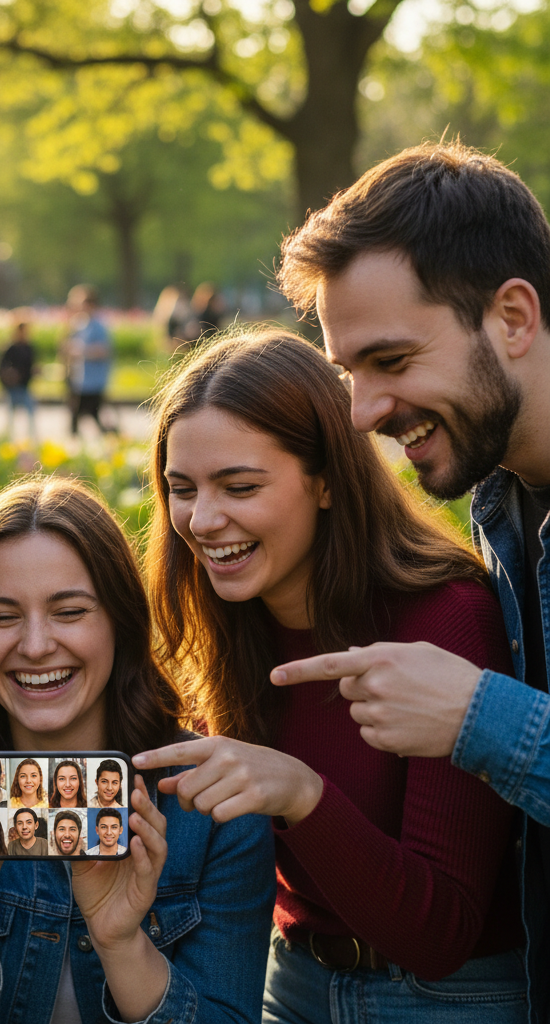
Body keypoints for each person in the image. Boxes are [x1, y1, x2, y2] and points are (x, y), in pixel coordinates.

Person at [136, 330, 525, 1022]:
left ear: (324, 482)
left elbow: (440, 933)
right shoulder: (224, 628)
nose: (202, 518)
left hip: (446, 999)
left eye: (240, 485)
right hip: (291, 983)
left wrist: (302, 795)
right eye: (180, 488)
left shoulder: (446, 621)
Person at [272, 142, 550, 1021]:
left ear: (512, 317)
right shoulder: (502, 504)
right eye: (349, 372)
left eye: (390, 361)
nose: (362, 412)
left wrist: (481, 720)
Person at [0, 477, 275, 1024]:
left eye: (70, 612)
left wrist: (119, 940)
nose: (35, 646)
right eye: (1, 616)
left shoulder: (212, 805)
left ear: (120, 622)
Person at [63, 284, 114, 435]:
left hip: (93, 381)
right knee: (80, 416)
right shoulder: (78, 324)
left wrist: (82, 351)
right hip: (79, 379)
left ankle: (112, 438)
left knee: (92, 415)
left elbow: (104, 350)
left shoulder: (98, 325)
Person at [0, 311, 37, 440]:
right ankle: (8, 439)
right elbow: (1, 368)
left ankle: (30, 438)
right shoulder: (10, 348)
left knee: (30, 414)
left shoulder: (29, 347)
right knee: (10, 416)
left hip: (24, 386)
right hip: (12, 387)